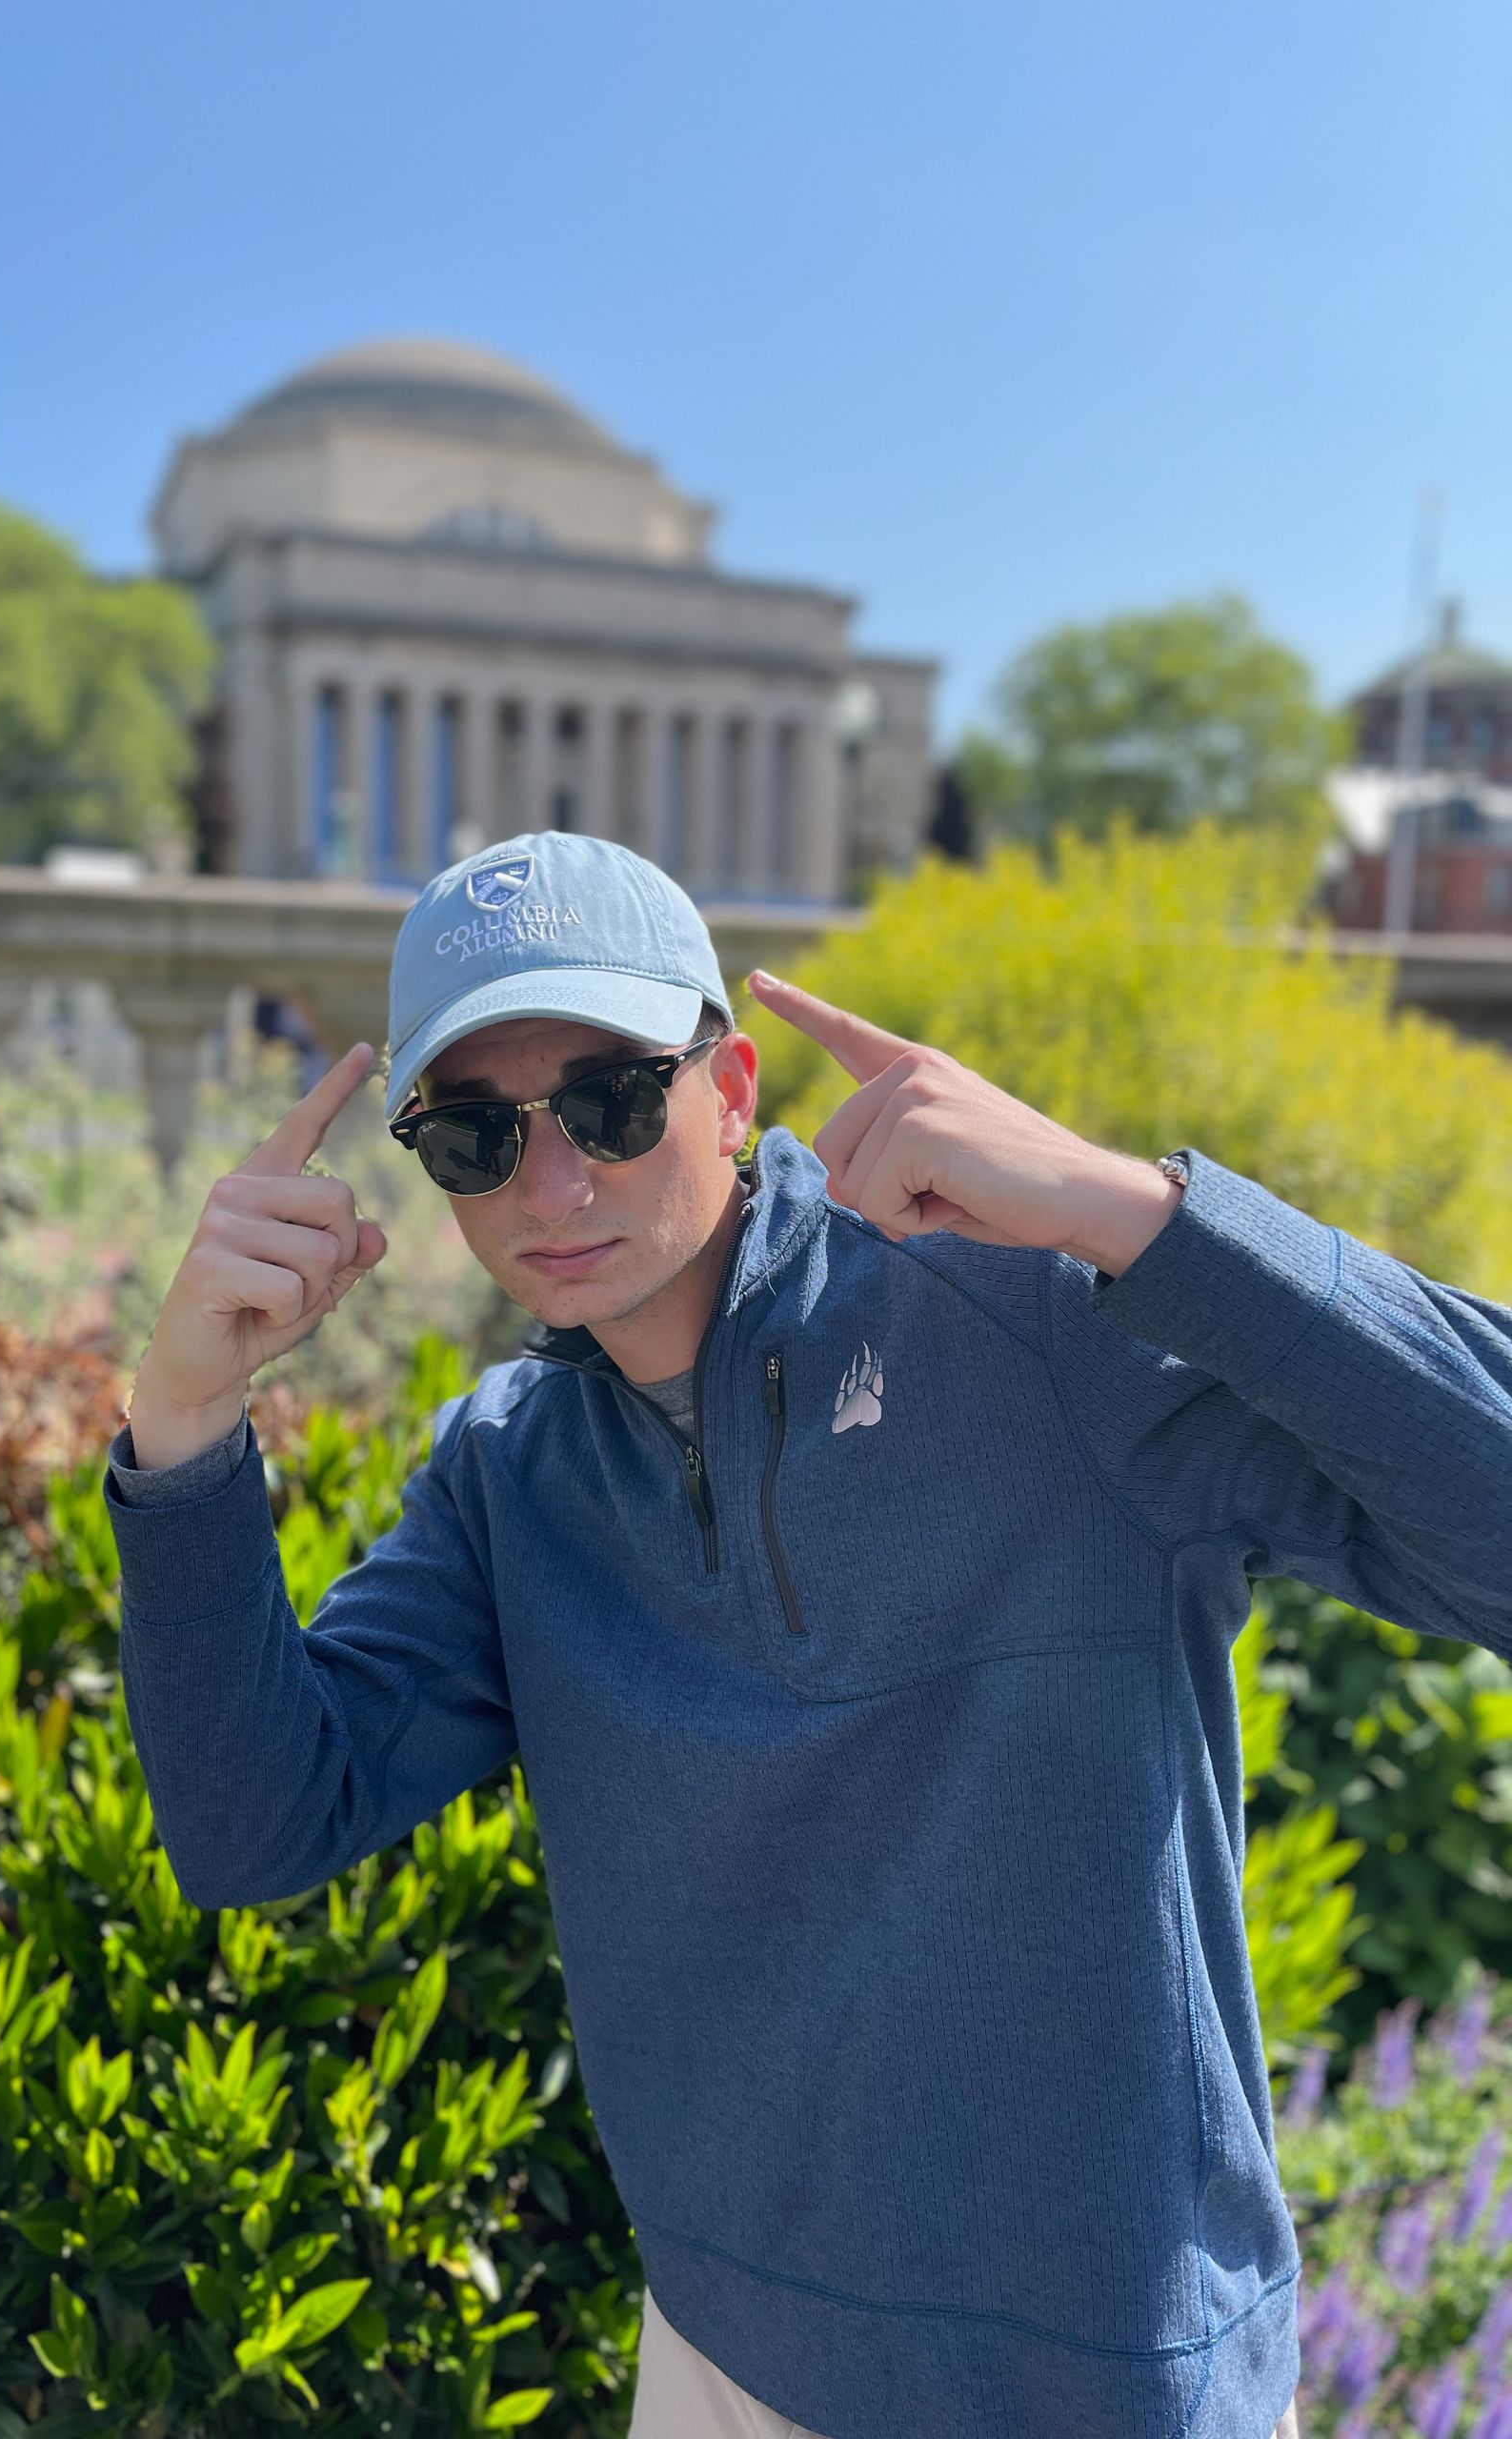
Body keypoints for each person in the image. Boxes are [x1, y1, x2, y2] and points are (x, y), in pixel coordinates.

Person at [106, 831, 1512, 2439]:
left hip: (1099, 2383)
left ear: (732, 1089)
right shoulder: (507, 1471)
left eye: (614, 1101)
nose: (553, 1185)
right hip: (720, 2354)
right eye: (476, 1136)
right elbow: (253, 1826)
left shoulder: (1035, 1319)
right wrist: (188, 1427)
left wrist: (1142, 1217)